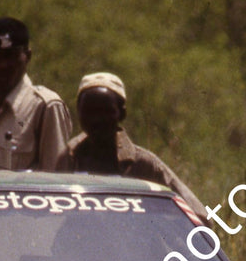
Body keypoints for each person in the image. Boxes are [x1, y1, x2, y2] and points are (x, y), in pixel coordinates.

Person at [57, 72, 206, 215]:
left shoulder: (145, 165)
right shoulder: (67, 159)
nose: (96, 120)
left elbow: (198, 215)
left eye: (105, 112)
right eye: (89, 111)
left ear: (122, 113)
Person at [0, 17, 73, 171]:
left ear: (27, 56)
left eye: (9, 56)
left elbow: (56, 180)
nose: (1, 65)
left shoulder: (45, 106)